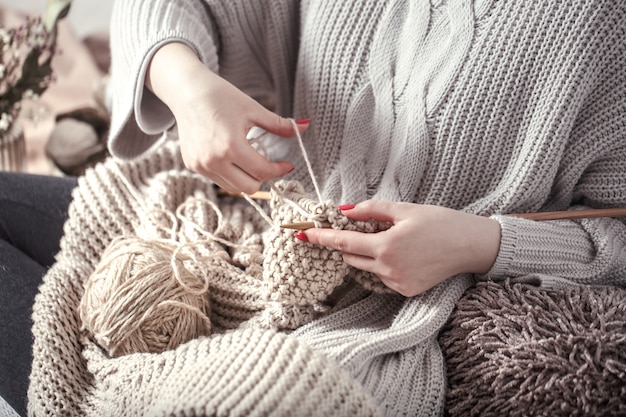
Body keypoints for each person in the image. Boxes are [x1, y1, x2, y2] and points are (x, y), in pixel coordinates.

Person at [2, 0, 626, 416]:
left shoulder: (600, 26)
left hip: (370, 324)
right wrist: (185, 88)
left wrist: (480, 242)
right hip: (234, 223)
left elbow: (614, 229)